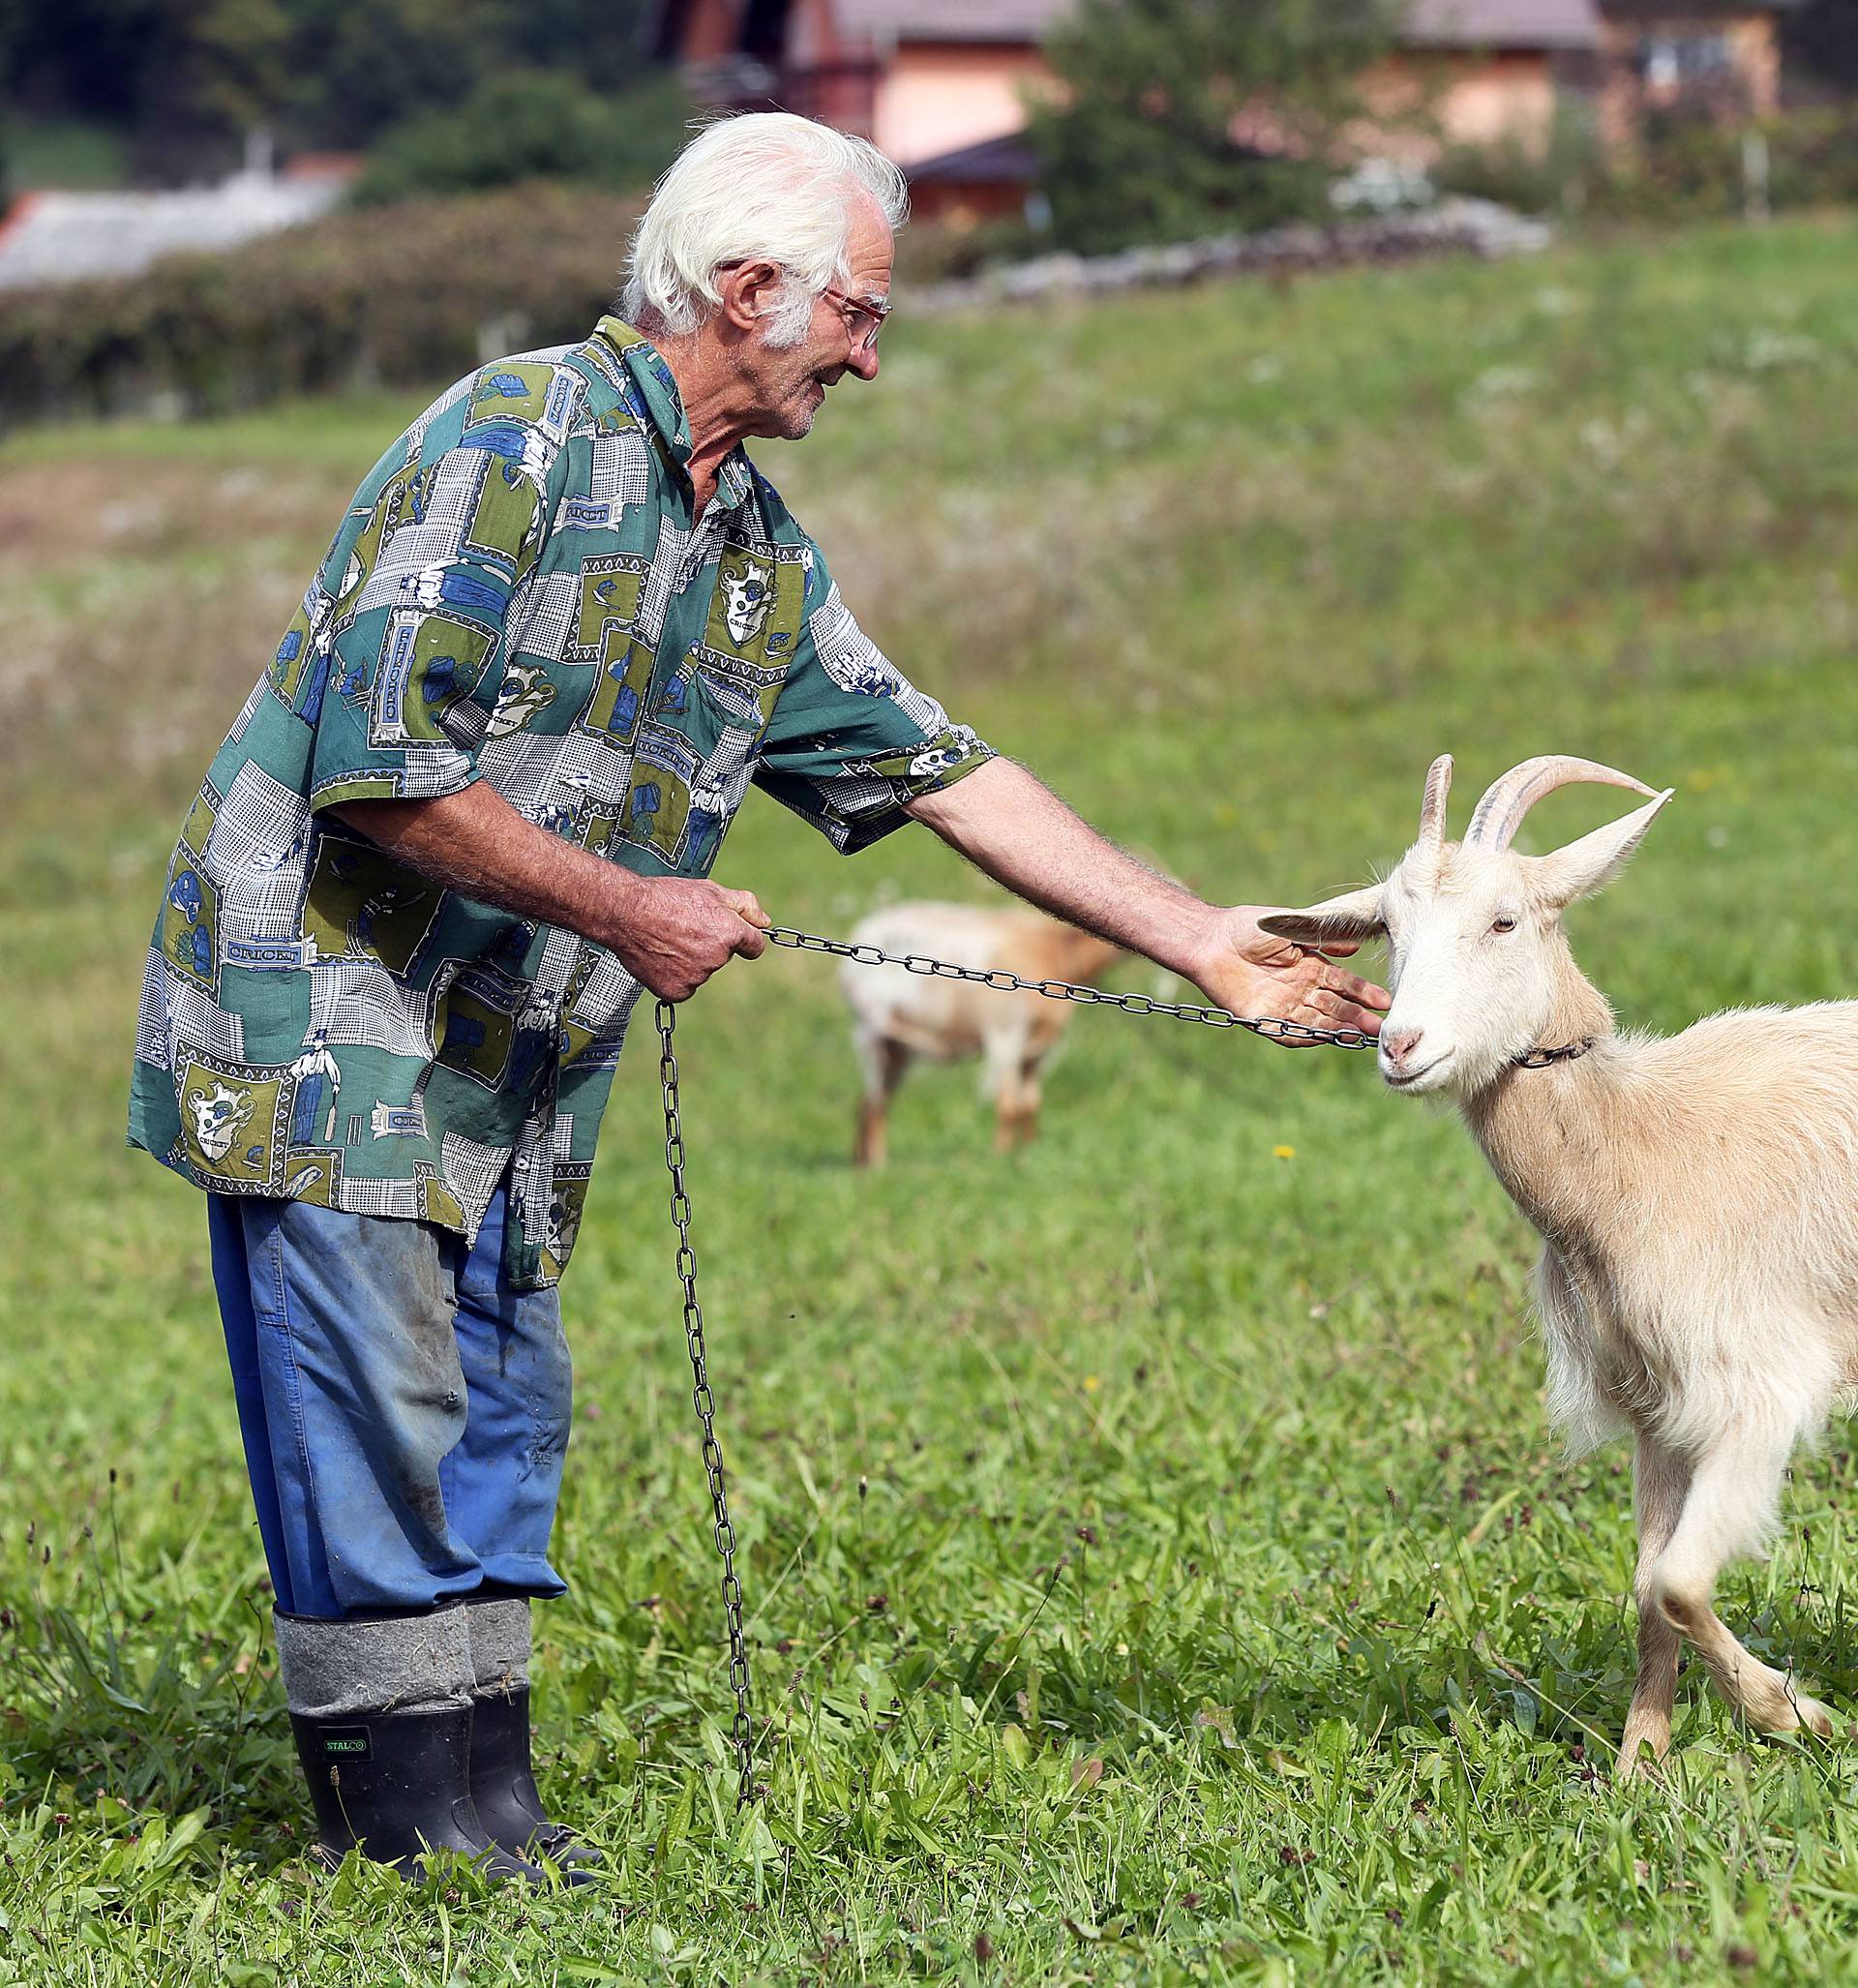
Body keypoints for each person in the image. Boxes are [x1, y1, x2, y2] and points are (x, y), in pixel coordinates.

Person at [127, 111, 1389, 1881]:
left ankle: (490, 1812)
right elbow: (382, 769)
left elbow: (943, 767)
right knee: (379, 1405)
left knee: (501, 1397)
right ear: (744, 290)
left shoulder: (749, 549)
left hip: (507, 1047)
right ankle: (399, 1843)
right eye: (858, 314)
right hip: (321, 1001)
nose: (873, 351)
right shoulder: (511, 441)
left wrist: (1199, 936)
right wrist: (631, 903)